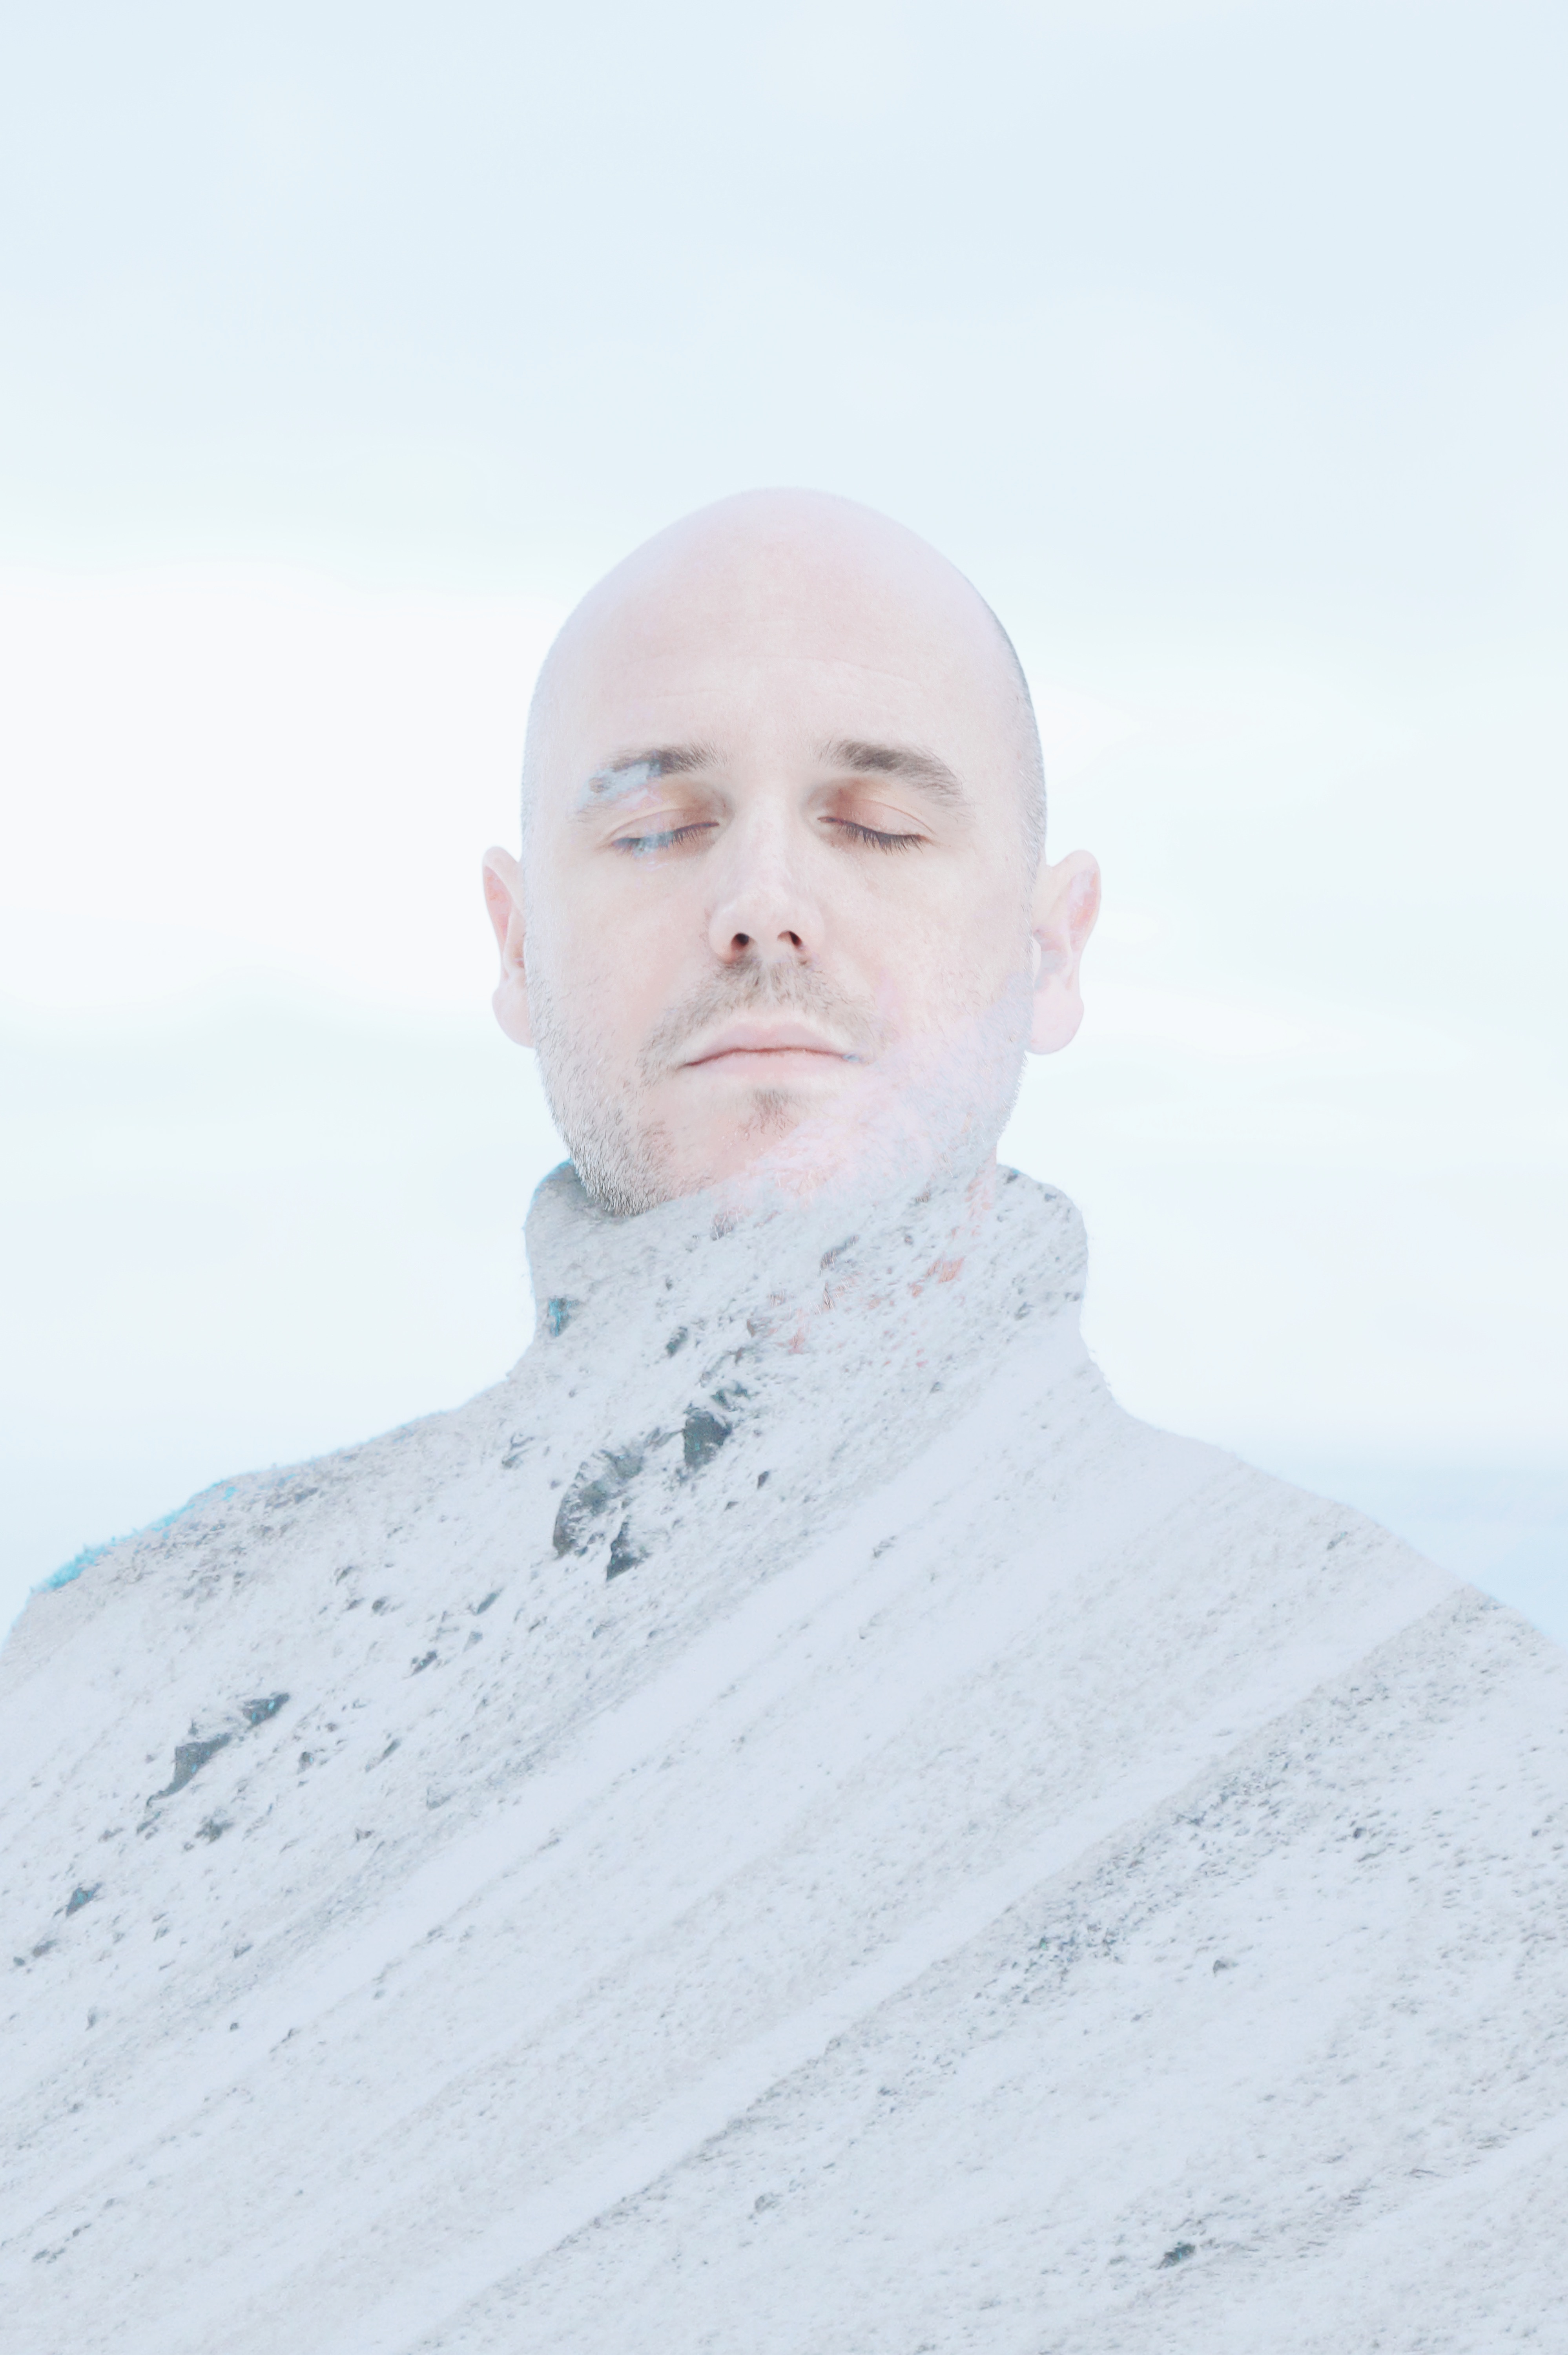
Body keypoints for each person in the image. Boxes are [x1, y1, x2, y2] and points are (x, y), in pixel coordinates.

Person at [3, 492, 1564, 2354]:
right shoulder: (114, 1706)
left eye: (877, 822)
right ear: (515, 942)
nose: (762, 902)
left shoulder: (1464, 1776)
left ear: (1053, 947)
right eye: (657, 826)